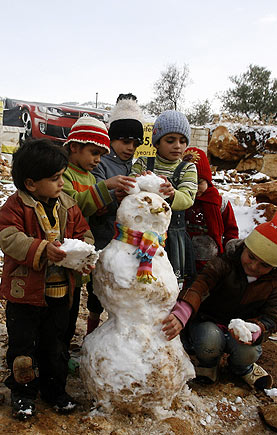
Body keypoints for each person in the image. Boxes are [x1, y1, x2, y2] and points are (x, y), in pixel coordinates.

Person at [0, 139, 94, 420]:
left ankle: (55, 391)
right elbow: (8, 237)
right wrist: (40, 248)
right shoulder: (15, 207)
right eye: (55, 178)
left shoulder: (68, 205)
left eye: (61, 176)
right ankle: (23, 393)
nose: (62, 183)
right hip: (25, 295)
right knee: (23, 349)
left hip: (61, 294)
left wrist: (84, 254)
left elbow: (84, 233)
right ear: (31, 184)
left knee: (56, 346)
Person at [162, 210, 277, 389]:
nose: (253, 266)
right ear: (245, 247)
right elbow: (200, 285)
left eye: (264, 265)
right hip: (210, 321)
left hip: (244, 327)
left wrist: (257, 329)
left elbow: (273, 317)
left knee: (248, 351)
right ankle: (209, 364)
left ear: (274, 267)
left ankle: (242, 367)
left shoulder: (275, 282)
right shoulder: (225, 262)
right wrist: (183, 311)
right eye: (251, 257)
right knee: (209, 341)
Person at [60, 115, 136, 347]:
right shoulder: (65, 174)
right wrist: (106, 187)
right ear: (74, 146)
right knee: (62, 303)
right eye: (93, 153)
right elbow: (74, 203)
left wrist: (114, 197)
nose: (97, 160)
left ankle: (63, 347)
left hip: (81, 248)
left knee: (72, 301)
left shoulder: (90, 175)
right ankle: (55, 348)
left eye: (101, 155)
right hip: (64, 249)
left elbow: (95, 208)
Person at [86, 93, 144, 335]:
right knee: (97, 294)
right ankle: (91, 334)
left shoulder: (137, 166)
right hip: (102, 237)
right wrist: (113, 195)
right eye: (124, 141)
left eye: (135, 143)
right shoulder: (100, 163)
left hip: (128, 242)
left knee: (121, 291)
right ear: (112, 139)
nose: (130, 148)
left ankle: (114, 338)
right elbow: (94, 197)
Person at [131, 110, 198, 283]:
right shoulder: (144, 162)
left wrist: (173, 193)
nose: (178, 146)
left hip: (173, 238)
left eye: (182, 141)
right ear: (157, 142)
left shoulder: (188, 169)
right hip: (142, 233)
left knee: (168, 283)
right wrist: (139, 181)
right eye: (170, 140)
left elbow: (188, 198)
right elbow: (129, 189)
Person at [183, 147, 239, 273]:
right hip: (183, 258)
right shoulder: (181, 202)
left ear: (208, 180)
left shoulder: (220, 203)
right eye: (189, 183)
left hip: (211, 260)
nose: (195, 188)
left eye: (199, 182)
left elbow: (231, 230)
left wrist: (228, 251)